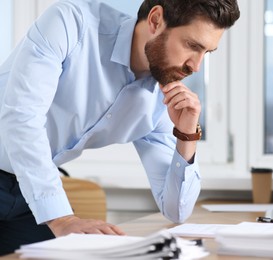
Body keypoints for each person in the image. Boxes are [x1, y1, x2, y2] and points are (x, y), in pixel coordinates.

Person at [0, 0, 240, 255]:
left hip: (27, 195)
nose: (196, 66)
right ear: (156, 21)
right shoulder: (71, 24)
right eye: (192, 46)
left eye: (206, 52)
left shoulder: (160, 99)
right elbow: (22, 118)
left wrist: (187, 135)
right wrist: (62, 218)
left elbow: (176, 210)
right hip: (32, 182)